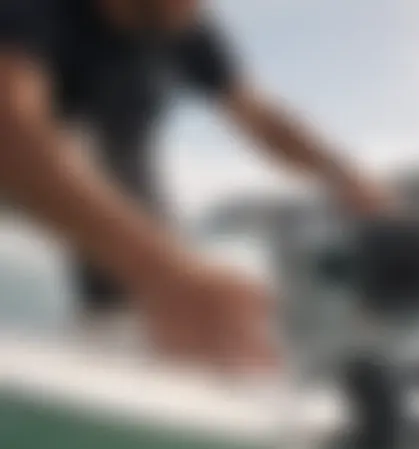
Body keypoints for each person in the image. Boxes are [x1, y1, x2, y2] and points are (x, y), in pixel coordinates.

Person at [0, 0, 395, 370]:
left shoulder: (187, 29)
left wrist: (340, 172)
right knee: (85, 151)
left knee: (132, 196)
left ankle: (119, 341)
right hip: (31, 145)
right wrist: (161, 271)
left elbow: (258, 116)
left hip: (115, 165)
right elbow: (11, 129)